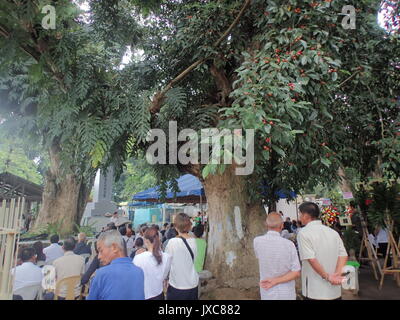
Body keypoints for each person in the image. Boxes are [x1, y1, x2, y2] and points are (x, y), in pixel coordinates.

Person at [297, 202, 348, 300]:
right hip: (334, 291)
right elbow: (343, 255)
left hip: (314, 290)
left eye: (300, 214)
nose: (299, 217)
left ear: (306, 215)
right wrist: (337, 274)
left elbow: (311, 259)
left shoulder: (304, 233)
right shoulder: (333, 232)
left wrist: (328, 277)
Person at [253, 212, 301, 300]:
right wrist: (276, 281)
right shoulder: (289, 245)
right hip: (286, 292)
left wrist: (274, 281)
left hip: (267, 290)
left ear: (266, 224)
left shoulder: (257, 241)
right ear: (282, 225)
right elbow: (296, 272)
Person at [87, 230, 145, 300]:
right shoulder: (139, 272)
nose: (99, 256)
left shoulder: (101, 274)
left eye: (101, 250)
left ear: (114, 247)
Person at [165, 213, 199, 300]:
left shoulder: (172, 242)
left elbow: (167, 264)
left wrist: (165, 278)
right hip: (193, 285)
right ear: (189, 226)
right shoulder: (197, 242)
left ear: (176, 227)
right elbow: (197, 264)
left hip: (177, 285)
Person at [133, 226, 172, 300]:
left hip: (144, 295)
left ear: (145, 241)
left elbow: (135, 278)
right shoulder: (167, 257)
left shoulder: (138, 258)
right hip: (159, 295)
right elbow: (164, 277)